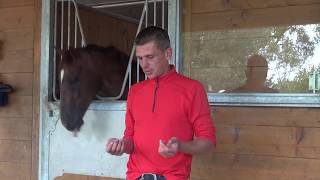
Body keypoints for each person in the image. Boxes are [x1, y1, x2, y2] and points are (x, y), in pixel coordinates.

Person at [106, 26, 216, 180]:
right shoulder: (135, 91)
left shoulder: (192, 89)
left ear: (168, 53)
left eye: (150, 57)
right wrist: (121, 146)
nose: (144, 65)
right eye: (140, 58)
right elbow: (131, 141)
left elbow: (208, 144)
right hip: (135, 176)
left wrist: (180, 146)